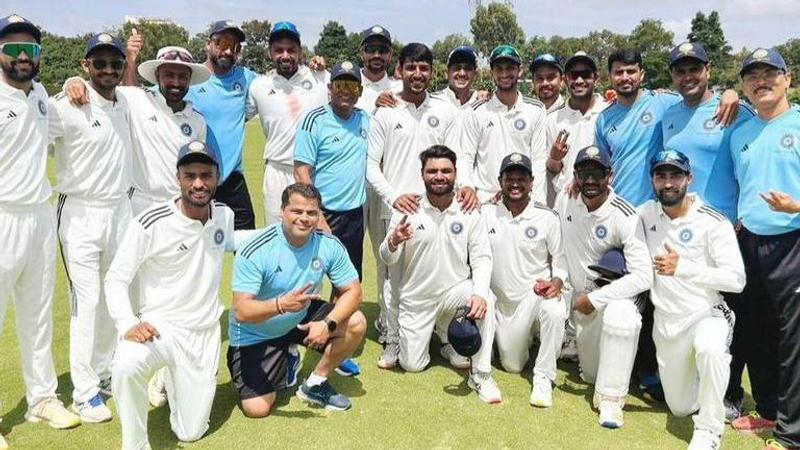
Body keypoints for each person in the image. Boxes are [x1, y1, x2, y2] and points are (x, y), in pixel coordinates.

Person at [105, 141, 236, 450]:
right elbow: (116, 278)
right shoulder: (151, 221)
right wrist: (127, 323)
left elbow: (232, 243)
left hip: (203, 334)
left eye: (206, 174)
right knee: (125, 363)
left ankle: (167, 378)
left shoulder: (224, 215)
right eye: (190, 175)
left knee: (190, 432)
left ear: (218, 176)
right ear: (178, 178)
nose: (199, 183)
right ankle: (135, 445)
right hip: (161, 327)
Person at [366, 43, 476, 366]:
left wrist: (466, 185)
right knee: (392, 278)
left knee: (442, 271)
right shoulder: (386, 111)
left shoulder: (444, 111)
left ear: (432, 72)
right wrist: (392, 196)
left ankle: (445, 332)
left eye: (424, 68)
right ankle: (392, 339)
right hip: (395, 209)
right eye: (411, 68)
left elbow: (459, 157)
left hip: (436, 206)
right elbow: (372, 165)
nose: (417, 74)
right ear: (399, 70)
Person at [0, 14, 81, 446]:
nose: (21, 57)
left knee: (37, 317)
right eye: (12, 49)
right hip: (1, 217)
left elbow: (66, 121)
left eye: (29, 50)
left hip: (39, 217)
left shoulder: (40, 101)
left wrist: (73, 80)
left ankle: (42, 399)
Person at [49, 33, 132, 423]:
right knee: (87, 302)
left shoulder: (126, 103)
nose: (108, 70)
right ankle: (83, 394)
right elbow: (33, 125)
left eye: (115, 63)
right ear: (86, 66)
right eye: (99, 63)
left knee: (114, 296)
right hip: (79, 212)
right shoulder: (68, 104)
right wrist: (66, 85)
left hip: (120, 209)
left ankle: (104, 372)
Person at [227, 183, 366, 417]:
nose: (304, 218)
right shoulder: (256, 248)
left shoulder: (328, 245)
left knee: (356, 321)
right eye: (297, 211)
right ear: (282, 211)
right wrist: (281, 305)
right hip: (255, 333)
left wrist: (328, 323)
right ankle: (287, 357)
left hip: (300, 316)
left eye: (312, 212)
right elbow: (241, 311)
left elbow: (354, 291)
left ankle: (315, 384)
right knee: (257, 409)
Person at [639, 149, 745, 450]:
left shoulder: (713, 221)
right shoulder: (646, 214)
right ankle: (708, 387)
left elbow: (737, 280)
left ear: (689, 178)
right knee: (680, 407)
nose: (668, 183)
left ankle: (710, 429)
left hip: (706, 314)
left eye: (675, 175)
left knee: (711, 349)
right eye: (661, 176)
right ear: (653, 180)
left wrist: (682, 268)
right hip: (667, 324)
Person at [380, 145, 500, 404]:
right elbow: (386, 258)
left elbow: (481, 258)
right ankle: (440, 337)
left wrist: (478, 294)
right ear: (422, 174)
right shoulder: (407, 208)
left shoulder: (468, 209)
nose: (439, 176)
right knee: (412, 365)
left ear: (456, 174)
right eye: (432, 171)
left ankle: (480, 374)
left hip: (454, 293)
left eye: (446, 171)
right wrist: (393, 241)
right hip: (418, 299)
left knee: (487, 298)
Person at [728, 48, 800, 450]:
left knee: (794, 340)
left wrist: (796, 206)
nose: (761, 81)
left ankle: (792, 435)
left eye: (770, 74)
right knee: (758, 331)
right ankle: (770, 410)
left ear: (787, 79)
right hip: (751, 242)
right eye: (752, 76)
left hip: (793, 239)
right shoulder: (742, 131)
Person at [555, 145, 653, 428]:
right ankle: (612, 366)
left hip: (614, 296)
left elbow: (644, 276)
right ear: (575, 176)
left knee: (621, 314)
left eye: (597, 173)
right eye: (584, 173)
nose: (590, 181)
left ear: (610, 176)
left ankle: (611, 402)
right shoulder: (566, 198)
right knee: (590, 375)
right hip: (581, 305)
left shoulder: (625, 214)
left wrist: (597, 298)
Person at [63, 38, 211, 215]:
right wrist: (74, 81)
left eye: (182, 77)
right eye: (169, 75)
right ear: (157, 76)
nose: (176, 83)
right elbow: (103, 85)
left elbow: (197, 168)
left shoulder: (198, 120)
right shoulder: (137, 100)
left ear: (190, 79)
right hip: (140, 204)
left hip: (181, 205)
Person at [484, 152, 568, 407]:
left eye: (522, 178)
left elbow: (561, 260)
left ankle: (543, 378)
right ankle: (528, 336)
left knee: (554, 309)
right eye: (510, 178)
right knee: (512, 364)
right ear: (500, 181)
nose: (516, 184)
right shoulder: (486, 212)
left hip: (533, 295)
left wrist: (558, 282)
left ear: (532, 182)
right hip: (500, 303)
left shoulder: (547, 216)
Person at [662, 42, 754, 224]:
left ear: (708, 69)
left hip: (724, 225)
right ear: (672, 75)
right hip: (680, 225)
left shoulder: (737, 111)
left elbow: (755, 169)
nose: (688, 77)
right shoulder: (667, 115)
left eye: (694, 69)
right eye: (680, 72)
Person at [248, 21, 330, 225]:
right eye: (279, 50)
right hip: (277, 169)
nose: (285, 55)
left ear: (300, 51)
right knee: (277, 233)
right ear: (270, 52)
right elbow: (236, 117)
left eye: (291, 50)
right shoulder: (259, 85)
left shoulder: (321, 78)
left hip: (315, 171)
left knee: (316, 233)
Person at [294, 61, 369, 276]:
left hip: (354, 214)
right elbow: (301, 172)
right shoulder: (314, 120)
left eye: (352, 86)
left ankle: (339, 311)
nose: (345, 91)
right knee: (310, 276)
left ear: (360, 92)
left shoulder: (366, 120)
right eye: (339, 85)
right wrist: (317, 215)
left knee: (348, 279)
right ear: (329, 88)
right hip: (323, 211)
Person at [452, 45, 549, 204]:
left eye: (510, 68)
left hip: (524, 199)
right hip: (486, 201)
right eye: (499, 68)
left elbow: (538, 160)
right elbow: (465, 157)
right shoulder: (476, 112)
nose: (504, 74)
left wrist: (536, 202)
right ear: (492, 72)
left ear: (520, 70)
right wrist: (467, 186)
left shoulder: (536, 110)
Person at [186, 20, 258, 229]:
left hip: (232, 178)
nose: (228, 51)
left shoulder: (246, 78)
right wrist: (84, 83)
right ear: (208, 44)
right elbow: (138, 96)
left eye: (235, 47)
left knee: (248, 245)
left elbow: (280, 83)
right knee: (195, 243)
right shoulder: (189, 77)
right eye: (221, 43)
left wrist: (315, 71)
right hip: (197, 175)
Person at [355, 25, 402, 113]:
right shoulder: (346, 86)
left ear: (390, 54)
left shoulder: (401, 90)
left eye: (383, 50)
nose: (376, 55)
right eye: (371, 49)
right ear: (361, 53)